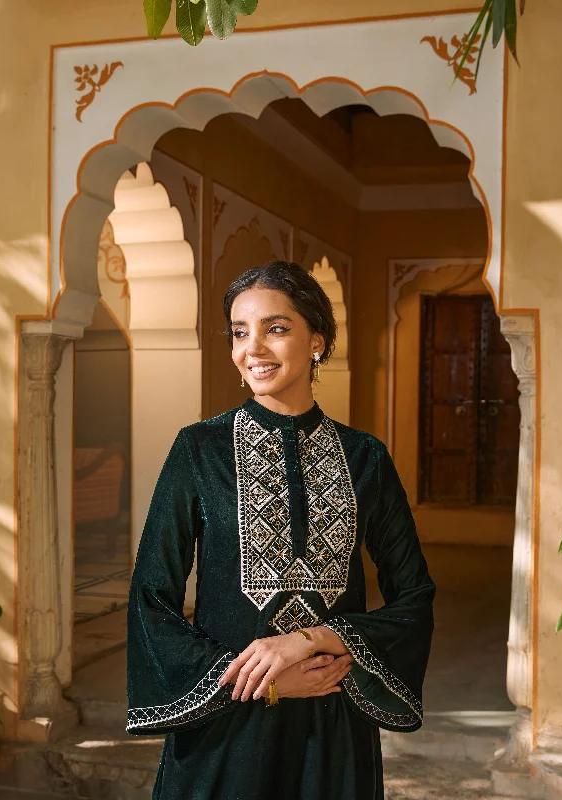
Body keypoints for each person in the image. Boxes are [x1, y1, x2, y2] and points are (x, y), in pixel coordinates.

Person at [126, 261, 435, 799]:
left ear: (317, 339)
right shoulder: (200, 451)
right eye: (240, 333)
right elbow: (152, 597)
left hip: (332, 728)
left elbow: (414, 598)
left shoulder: (365, 458)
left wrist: (316, 640)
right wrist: (265, 682)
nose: (254, 349)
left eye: (276, 328)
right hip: (227, 721)